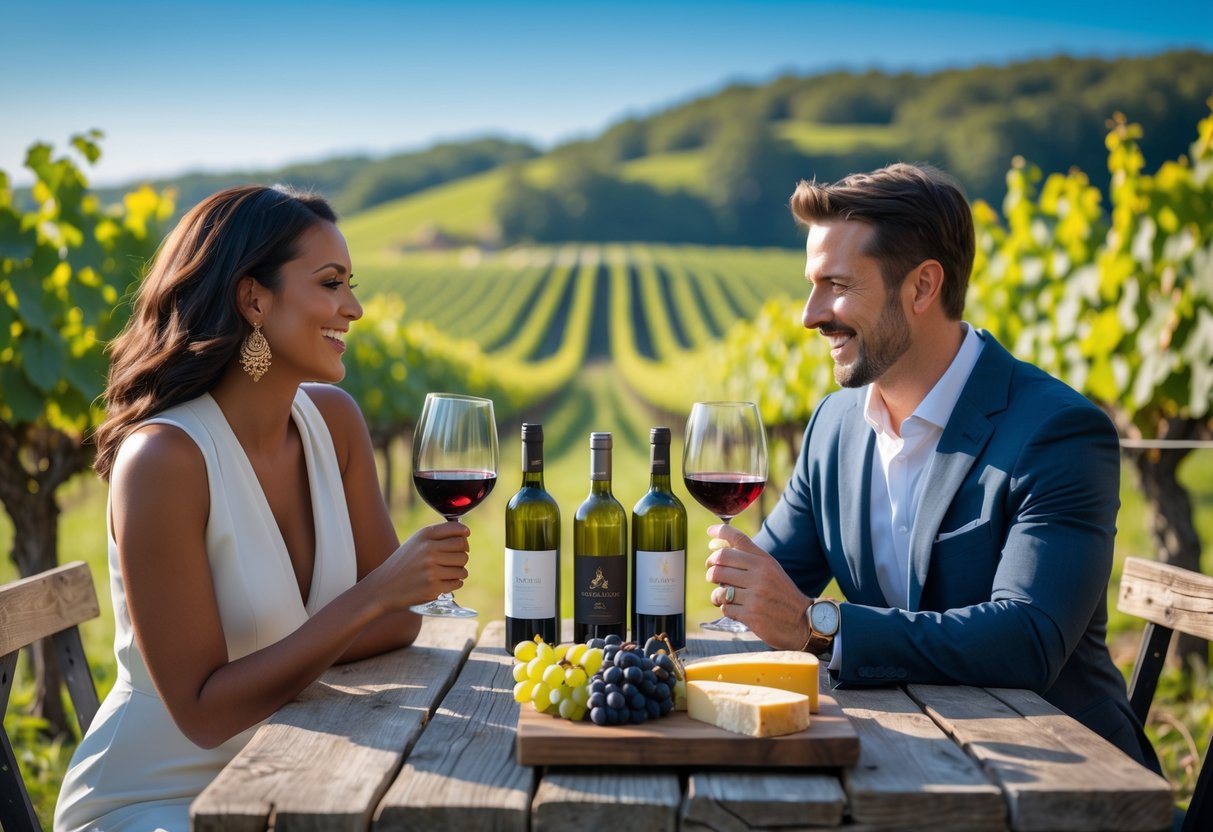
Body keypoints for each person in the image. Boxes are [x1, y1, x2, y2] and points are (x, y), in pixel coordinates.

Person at [704, 162, 1159, 771]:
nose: (811, 315)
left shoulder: (1056, 432)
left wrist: (821, 626)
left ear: (922, 287)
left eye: (837, 284)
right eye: (812, 285)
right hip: (915, 757)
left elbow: (1027, 639)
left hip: (1066, 773)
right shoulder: (833, 428)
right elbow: (765, 589)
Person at [55, 185, 472, 831]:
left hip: (289, 777)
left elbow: (396, 626)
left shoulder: (332, 423)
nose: (354, 308)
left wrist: (390, 598)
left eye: (350, 284)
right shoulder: (165, 460)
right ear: (254, 298)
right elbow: (203, 713)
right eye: (331, 283)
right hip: (159, 801)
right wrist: (373, 594)